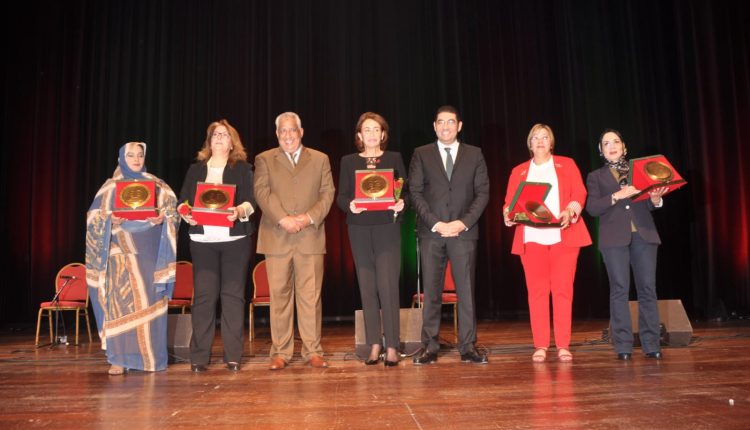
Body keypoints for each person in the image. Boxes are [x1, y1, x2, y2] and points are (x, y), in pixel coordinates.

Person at [85, 142, 180, 375]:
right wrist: (110, 219)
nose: (136, 159)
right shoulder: (110, 188)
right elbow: (93, 219)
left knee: (150, 303)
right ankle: (119, 359)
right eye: (131, 155)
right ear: (121, 159)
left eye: (140, 155)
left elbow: (173, 213)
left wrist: (162, 218)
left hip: (150, 254)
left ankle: (150, 359)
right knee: (120, 305)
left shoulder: (158, 186)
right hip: (120, 255)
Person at [503, 124, 591, 363]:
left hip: (563, 236)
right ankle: (541, 345)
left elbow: (579, 194)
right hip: (532, 238)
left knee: (563, 291)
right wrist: (508, 214)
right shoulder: (519, 171)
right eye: (535, 137)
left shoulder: (567, 164)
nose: (540, 141)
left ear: (551, 142)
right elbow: (509, 203)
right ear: (529, 143)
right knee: (537, 293)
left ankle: (563, 345)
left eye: (545, 137)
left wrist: (570, 211)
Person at [409, 105, 490, 365]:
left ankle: (468, 346)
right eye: (441, 122)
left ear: (459, 126)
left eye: (451, 122)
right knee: (432, 292)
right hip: (432, 233)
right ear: (434, 126)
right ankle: (430, 346)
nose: (445, 127)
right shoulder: (421, 154)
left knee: (466, 291)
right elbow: (415, 193)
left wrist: (462, 223)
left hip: (464, 233)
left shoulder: (474, 154)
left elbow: (482, 193)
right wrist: (436, 224)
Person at [254, 112, 335, 370]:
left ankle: (313, 351)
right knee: (279, 296)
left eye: (292, 130)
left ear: (301, 132)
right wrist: (283, 219)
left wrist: (308, 218)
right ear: (277, 134)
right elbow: (262, 192)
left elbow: (327, 193)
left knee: (311, 297)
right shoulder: (264, 159)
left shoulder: (320, 159)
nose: (288, 135)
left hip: (310, 237)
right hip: (276, 237)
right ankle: (280, 352)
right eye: (283, 131)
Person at [178, 119, 255, 372]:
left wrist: (239, 210)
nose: (219, 138)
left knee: (233, 297)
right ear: (209, 142)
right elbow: (183, 202)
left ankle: (233, 356)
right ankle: (199, 357)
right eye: (215, 135)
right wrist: (186, 214)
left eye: (224, 134)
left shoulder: (243, 169)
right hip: (203, 241)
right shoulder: (195, 170)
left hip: (235, 241)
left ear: (232, 142)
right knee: (204, 297)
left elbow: (251, 201)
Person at [585, 129, 669, 360]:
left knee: (647, 289)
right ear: (601, 150)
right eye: (606, 143)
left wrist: (655, 199)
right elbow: (592, 208)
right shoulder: (595, 176)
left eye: (616, 142)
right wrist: (617, 195)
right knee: (619, 289)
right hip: (614, 239)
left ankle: (651, 344)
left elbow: (649, 204)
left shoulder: (639, 171)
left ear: (624, 147)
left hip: (644, 235)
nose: (612, 146)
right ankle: (623, 345)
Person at [336, 112, 407, 367]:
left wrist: (402, 202)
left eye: (376, 129)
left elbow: (405, 191)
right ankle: (374, 343)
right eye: (367, 130)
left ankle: (392, 345)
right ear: (359, 135)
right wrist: (350, 205)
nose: (372, 134)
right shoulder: (348, 161)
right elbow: (341, 196)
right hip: (359, 229)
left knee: (388, 286)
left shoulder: (394, 158)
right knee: (367, 287)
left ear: (383, 134)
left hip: (387, 227)